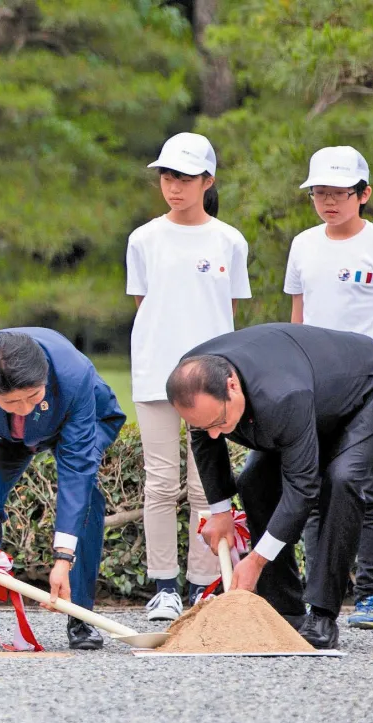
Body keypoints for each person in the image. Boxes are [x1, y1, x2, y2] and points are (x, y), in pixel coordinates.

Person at [166, 323, 373, 649]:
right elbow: (204, 440)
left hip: (372, 387)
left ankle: (323, 616)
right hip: (314, 395)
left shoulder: (282, 396)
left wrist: (256, 560)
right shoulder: (193, 380)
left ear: (232, 386)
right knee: (254, 481)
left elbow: (303, 488)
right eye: (205, 425)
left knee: (342, 480)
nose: (215, 433)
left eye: (219, 422)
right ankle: (285, 611)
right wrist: (221, 512)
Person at [285, 146, 373, 630]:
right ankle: (320, 596)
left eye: (339, 193)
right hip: (317, 383)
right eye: (319, 192)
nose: (328, 201)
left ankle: (372, 595)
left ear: (364, 194)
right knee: (315, 487)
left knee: (366, 485)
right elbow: (298, 317)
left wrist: (364, 354)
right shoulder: (303, 244)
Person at [0, 328, 126, 650]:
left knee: (87, 499)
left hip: (77, 421)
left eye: (33, 396)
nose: (24, 408)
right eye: (11, 401)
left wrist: (62, 559)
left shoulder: (74, 373)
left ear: (45, 376)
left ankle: (81, 616)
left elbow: (76, 472)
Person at [127, 132, 251, 620]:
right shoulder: (143, 239)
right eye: (167, 177)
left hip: (212, 382)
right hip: (155, 373)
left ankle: (203, 586)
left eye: (184, 177)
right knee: (160, 482)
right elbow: (146, 307)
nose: (174, 187)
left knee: (207, 486)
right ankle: (164, 587)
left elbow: (228, 311)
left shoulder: (229, 240)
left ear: (207, 181)